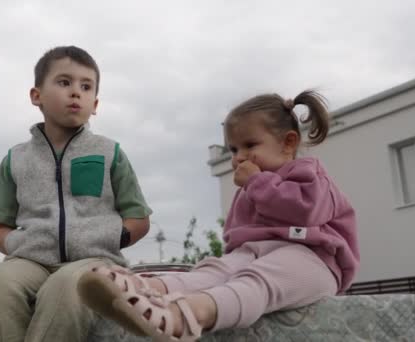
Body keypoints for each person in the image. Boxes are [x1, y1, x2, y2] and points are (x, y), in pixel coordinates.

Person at [77, 90, 359, 341]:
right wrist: (228, 263)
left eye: (250, 146)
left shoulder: (307, 174)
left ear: (287, 143)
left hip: (313, 259)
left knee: (258, 280)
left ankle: (186, 316)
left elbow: (306, 212)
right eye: (234, 149)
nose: (238, 157)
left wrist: (257, 183)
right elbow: (237, 239)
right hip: (257, 253)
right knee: (213, 271)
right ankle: (143, 289)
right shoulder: (253, 185)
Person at [0, 45, 152, 342]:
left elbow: (139, 219)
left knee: (67, 287)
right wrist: (17, 243)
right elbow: (0, 226)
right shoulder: (16, 159)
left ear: (95, 103)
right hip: (31, 262)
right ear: (36, 95)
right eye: (64, 82)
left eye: (86, 86)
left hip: (93, 263)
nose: (76, 92)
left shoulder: (110, 153)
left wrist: (108, 238)